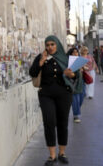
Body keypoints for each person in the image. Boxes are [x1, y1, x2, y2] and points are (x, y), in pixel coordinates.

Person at [29, 35, 77, 165]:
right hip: (46, 95)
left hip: (64, 95)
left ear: (57, 45)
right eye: (47, 45)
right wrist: (40, 63)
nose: (49, 47)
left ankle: (62, 153)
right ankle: (52, 155)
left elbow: (75, 75)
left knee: (62, 122)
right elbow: (32, 73)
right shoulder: (41, 57)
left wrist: (71, 74)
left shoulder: (65, 58)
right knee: (49, 121)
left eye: (52, 44)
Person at [67, 47, 85, 123]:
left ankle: (76, 110)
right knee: (75, 100)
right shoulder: (69, 62)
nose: (75, 53)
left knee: (81, 99)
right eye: (73, 52)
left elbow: (82, 71)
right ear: (70, 54)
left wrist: (82, 68)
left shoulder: (79, 60)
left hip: (81, 83)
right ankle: (76, 115)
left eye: (76, 52)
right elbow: (69, 74)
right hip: (74, 83)